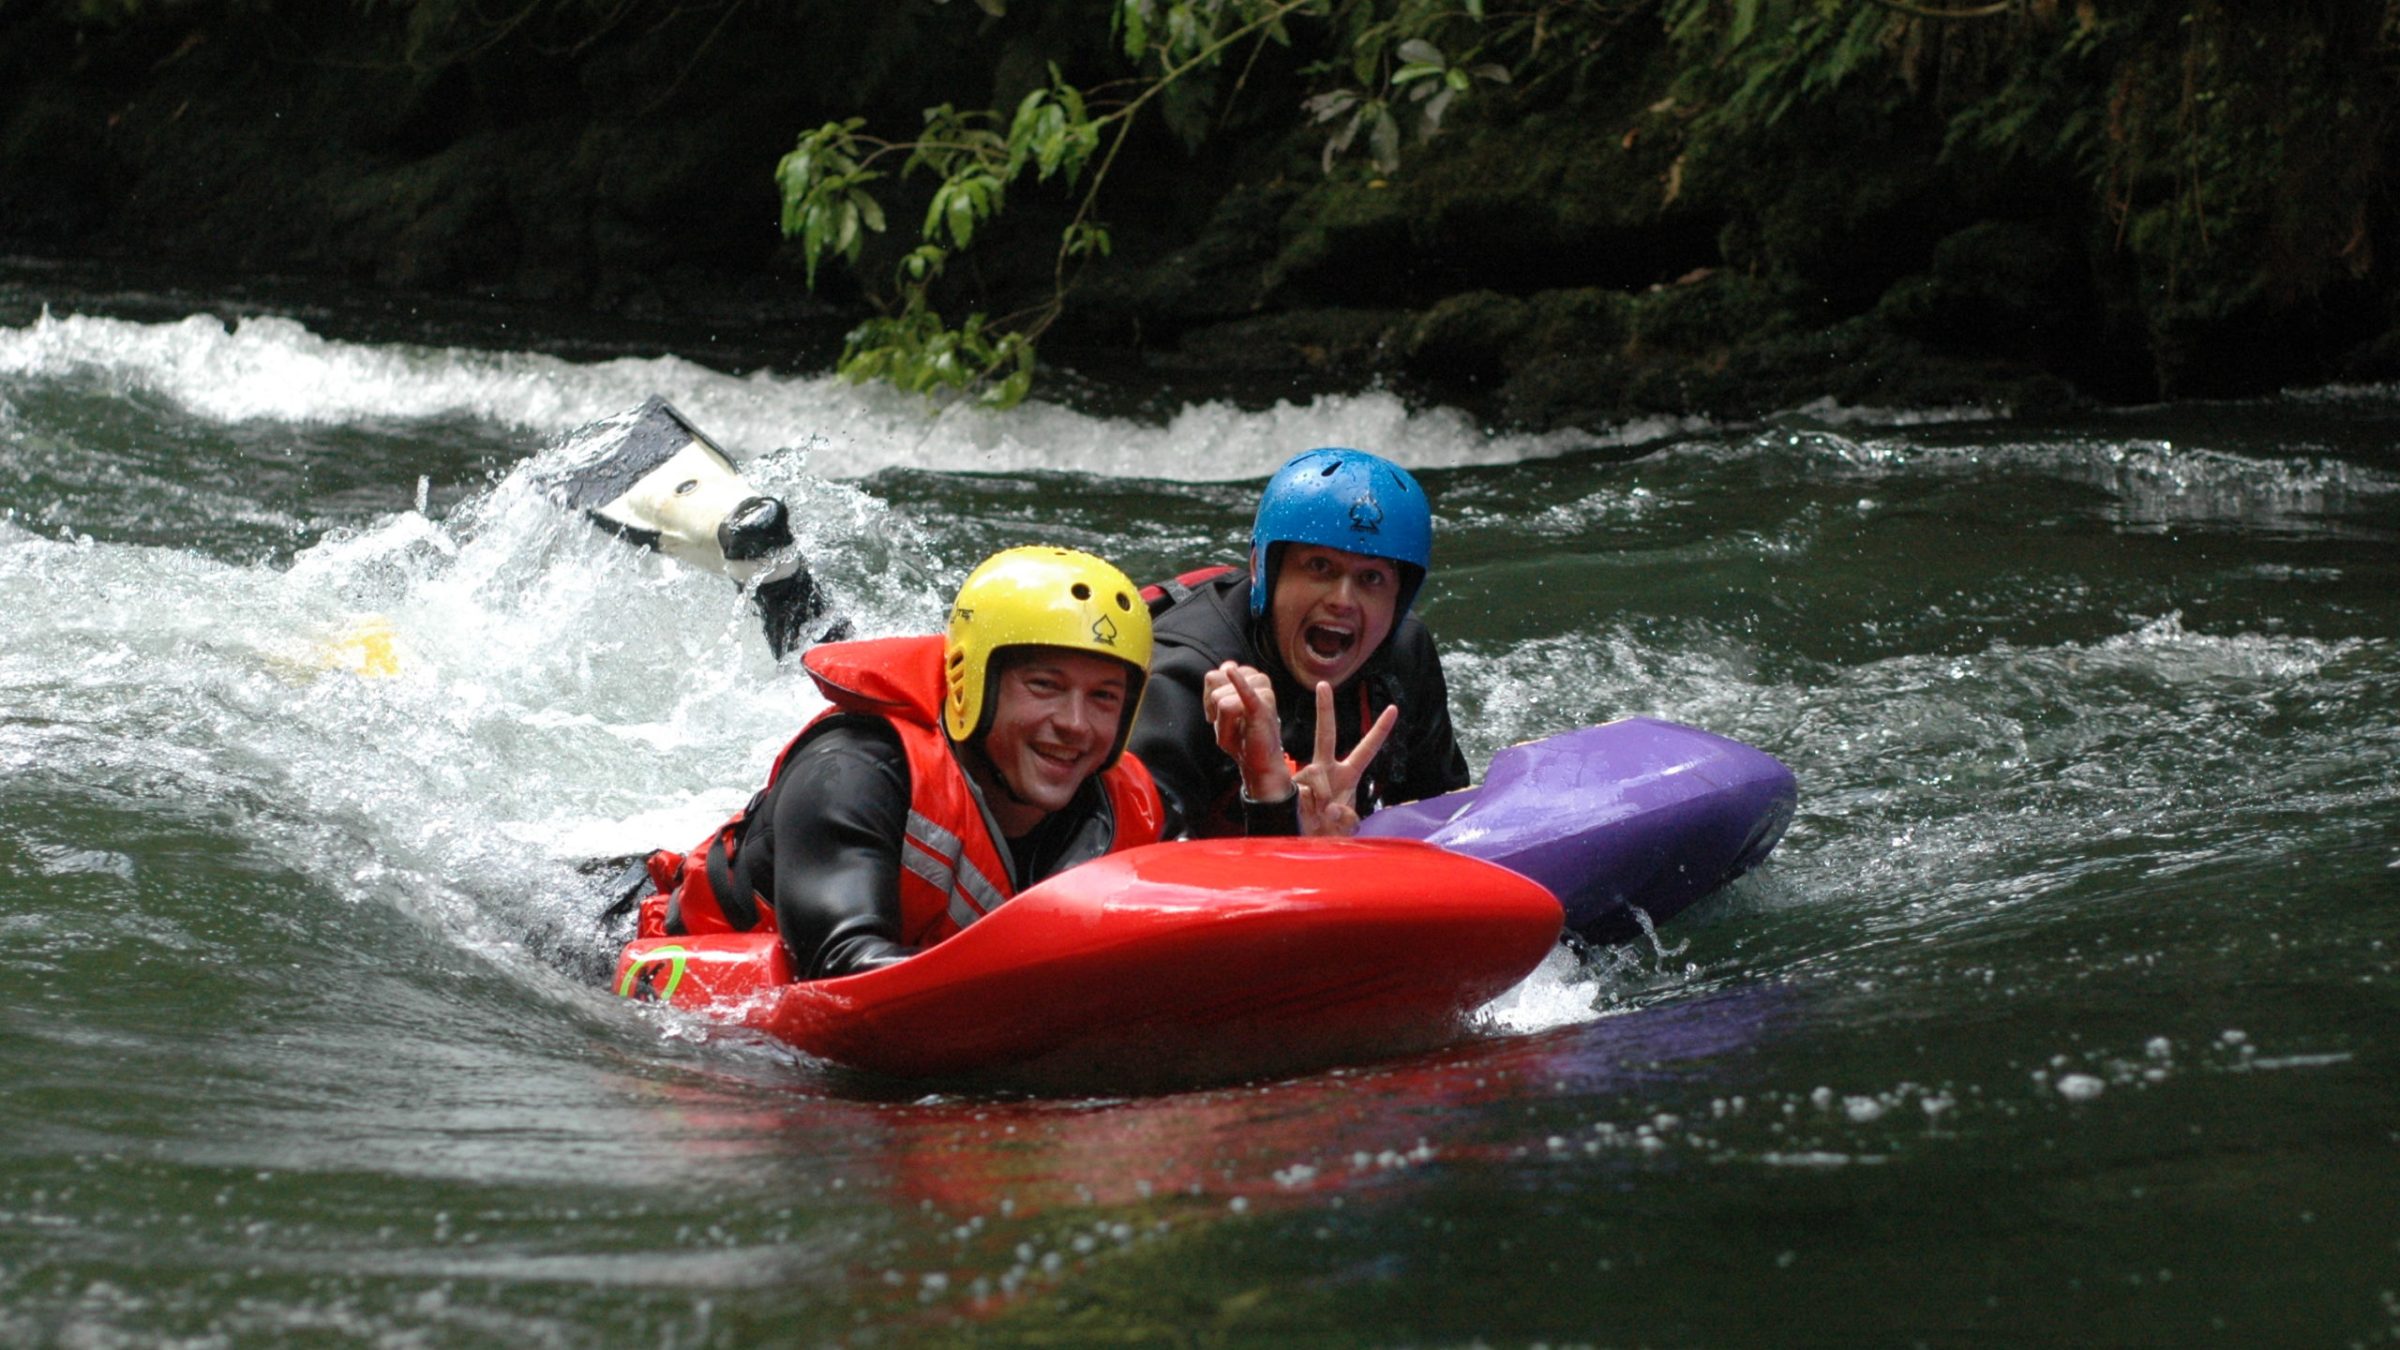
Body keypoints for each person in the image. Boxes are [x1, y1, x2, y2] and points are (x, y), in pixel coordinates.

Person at [634, 546, 1164, 979]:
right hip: (648, 946)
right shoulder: (854, 770)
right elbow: (840, 963)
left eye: (1104, 697)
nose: (1074, 723)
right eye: (1044, 686)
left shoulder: (1126, 807)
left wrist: (1253, 791)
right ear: (971, 682)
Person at [1131, 447, 1470, 839]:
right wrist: (1279, 812)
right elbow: (1131, 865)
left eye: (1371, 578)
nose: (1343, 600)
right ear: (1262, 570)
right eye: (1319, 567)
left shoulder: (1404, 655)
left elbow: (1449, 824)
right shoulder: (1185, 672)